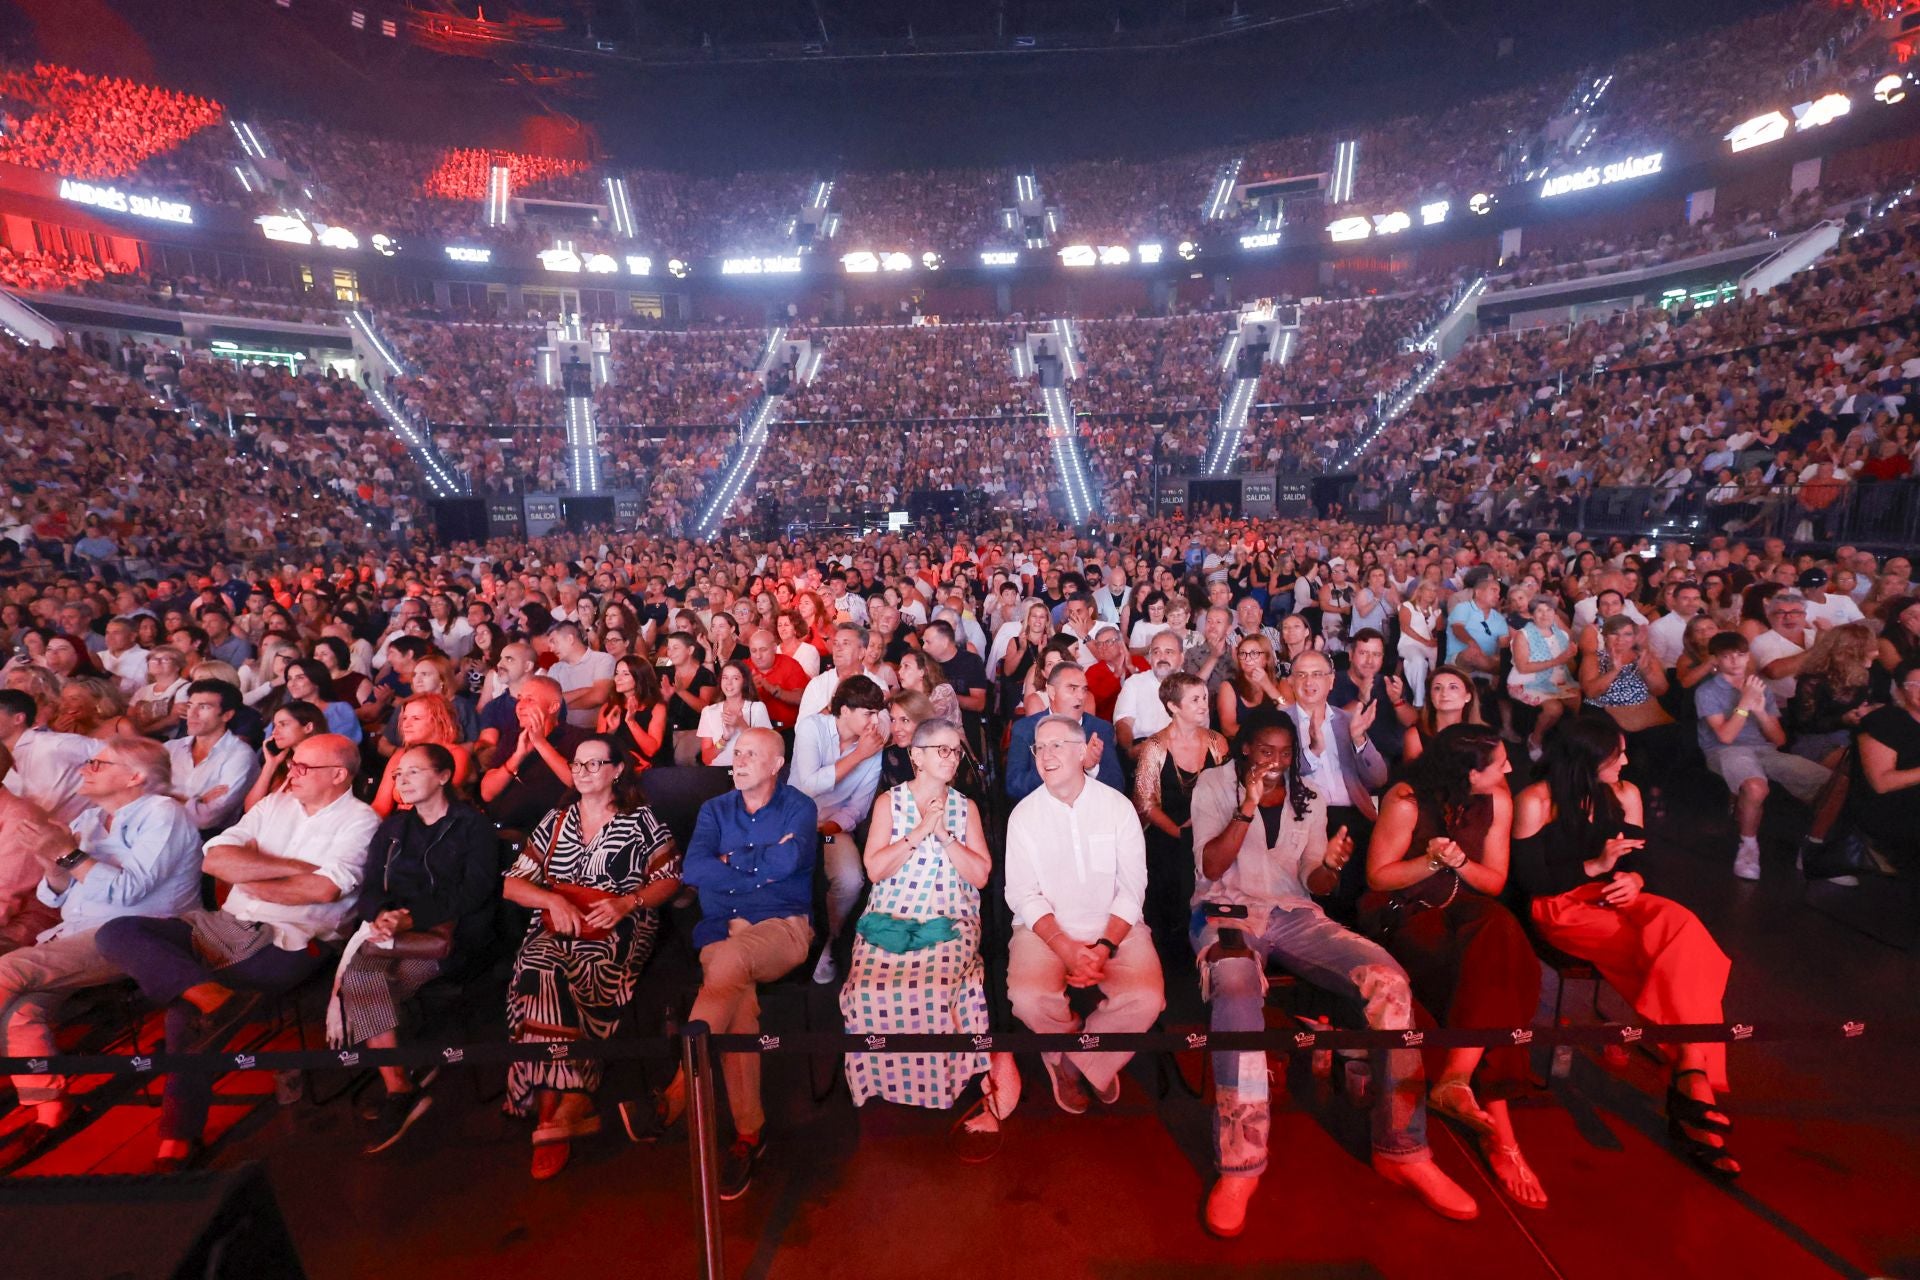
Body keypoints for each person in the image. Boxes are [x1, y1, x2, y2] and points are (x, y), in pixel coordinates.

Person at [1189, 710, 1477, 1236]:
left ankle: (1404, 1149)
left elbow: (1314, 884)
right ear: (1245, 749)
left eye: (1283, 752)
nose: (1275, 762)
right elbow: (1210, 866)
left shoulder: (1309, 796)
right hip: (1225, 911)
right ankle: (1240, 1165)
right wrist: (1246, 810)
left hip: (1295, 914)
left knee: (1389, 980)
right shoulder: (1213, 784)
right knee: (1234, 986)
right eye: (1264, 751)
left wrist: (1334, 865)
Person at [95, 734, 380, 1170]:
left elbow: (323, 888)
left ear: (338, 775)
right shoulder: (274, 805)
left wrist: (254, 874)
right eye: (292, 764)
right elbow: (214, 859)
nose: (291, 773)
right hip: (223, 925)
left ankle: (177, 1138)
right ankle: (212, 996)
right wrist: (291, 869)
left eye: (304, 767)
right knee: (116, 932)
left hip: (290, 939)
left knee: (184, 1014)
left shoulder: (360, 821)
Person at [1512, 716, 1740, 1179]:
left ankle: (1689, 1068)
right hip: (1562, 908)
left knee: (1683, 928)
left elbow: (1643, 862)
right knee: (1671, 959)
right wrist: (1594, 867)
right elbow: (1529, 883)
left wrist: (1635, 879)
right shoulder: (1536, 801)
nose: (1626, 762)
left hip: (1616, 898)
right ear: (1587, 760)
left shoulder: (1625, 794)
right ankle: (1696, 1096)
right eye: (1618, 755)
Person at [1364, 724, 1545, 1208]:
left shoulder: (1498, 800)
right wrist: (1431, 861)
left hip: (1465, 906)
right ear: (1469, 773)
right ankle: (1501, 1136)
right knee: (1501, 978)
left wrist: (1459, 863)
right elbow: (1378, 876)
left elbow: (1494, 881)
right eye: (1499, 763)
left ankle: (1456, 1078)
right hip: (1408, 912)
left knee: (1501, 930)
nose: (1509, 769)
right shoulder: (1405, 798)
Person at [634, 727, 816, 1200]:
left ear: (777, 764)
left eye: (752, 754)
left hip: (783, 927)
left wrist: (732, 866)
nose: (739, 761)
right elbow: (694, 870)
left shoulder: (800, 807)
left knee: (730, 964)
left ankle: (678, 1092)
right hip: (720, 930)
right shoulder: (714, 810)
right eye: (737, 753)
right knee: (737, 1000)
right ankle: (748, 1136)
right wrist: (758, 864)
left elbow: (791, 862)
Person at [0, 738, 202, 1150]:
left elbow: (130, 891)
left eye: (98, 762)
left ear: (135, 776)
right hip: (75, 936)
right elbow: (53, 896)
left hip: (137, 936)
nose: (85, 768)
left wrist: (68, 856)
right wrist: (49, 859)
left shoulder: (164, 812)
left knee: (5, 972)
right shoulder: (90, 819)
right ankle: (52, 1107)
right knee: (20, 1009)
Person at [499, 734, 681, 1178]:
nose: (581, 772)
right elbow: (510, 882)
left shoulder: (641, 822)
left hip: (617, 924)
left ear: (617, 770)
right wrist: (552, 901)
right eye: (577, 765)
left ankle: (553, 1108)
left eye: (593, 764)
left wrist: (628, 902)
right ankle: (559, 1107)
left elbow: (671, 877)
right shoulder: (557, 820)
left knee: (570, 970)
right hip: (558, 921)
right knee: (540, 967)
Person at [331, 743, 500, 1154]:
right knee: (365, 979)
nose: (402, 781)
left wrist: (413, 917)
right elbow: (371, 888)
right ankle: (401, 1082)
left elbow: (475, 893)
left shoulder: (471, 826)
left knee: (361, 981)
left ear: (443, 776)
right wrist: (383, 915)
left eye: (412, 772)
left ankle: (401, 1086)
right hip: (394, 933)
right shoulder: (392, 829)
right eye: (398, 775)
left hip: (452, 939)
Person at [1005, 715, 1165, 1115]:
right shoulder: (1023, 816)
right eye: (1039, 748)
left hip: (1116, 926)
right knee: (1026, 997)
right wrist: (1065, 947)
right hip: (1044, 931)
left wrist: (1106, 945)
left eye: (1056, 745)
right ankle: (1080, 1047)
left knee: (1147, 998)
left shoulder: (1117, 807)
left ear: (1082, 751)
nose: (1046, 755)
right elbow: (1022, 894)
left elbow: (1132, 888)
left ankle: (1073, 1060)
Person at [841, 718, 994, 1112]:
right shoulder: (889, 802)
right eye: (941, 750)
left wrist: (944, 835)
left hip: (949, 917)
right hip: (892, 914)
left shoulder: (965, 808)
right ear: (916, 757)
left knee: (934, 989)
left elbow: (980, 876)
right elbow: (875, 870)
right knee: (866, 991)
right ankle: (879, 1082)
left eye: (955, 750)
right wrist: (921, 829)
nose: (951, 758)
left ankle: (937, 1087)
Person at [1694, 633, 1830, 881]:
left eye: (1740, 655)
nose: (1735, 661)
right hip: (1724, 751)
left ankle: (1814, 844)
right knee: (1756, 787)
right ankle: (1748, 848)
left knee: (1831, 782)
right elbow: (1725, 736)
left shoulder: (1759, 687)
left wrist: (1761, 712)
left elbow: (1778, 740)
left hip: (1764, 750)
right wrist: (1745, 704)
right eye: (1727, 656)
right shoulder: (1707, 690)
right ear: (1716, 659)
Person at [791, 675, 888, 984]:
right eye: (868, 713)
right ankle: (792, 937)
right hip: (795, 820)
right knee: (788, 872)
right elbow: (808, 784)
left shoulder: (874, 745)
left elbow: (858, 807)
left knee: (850, 880)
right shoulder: (811, 728)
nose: (876, 720)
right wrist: (859, 754)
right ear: (844, 710)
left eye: (877, 712)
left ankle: (826, 942)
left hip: (831, 829)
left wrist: (829, 828)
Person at [1132, 672, 1229, 960]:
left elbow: (1228, 793)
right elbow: (1145, 804)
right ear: (1173, 707)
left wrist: (1204, 830)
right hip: (1168, 833)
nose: (1203, 705)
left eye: (1205, 698)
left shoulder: (1218, 742)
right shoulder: (1154, 747)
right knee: (1173, 869)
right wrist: (1182, 832)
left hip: (1210, 831)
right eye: (1195, 700)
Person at [1284, 650, 1387, 905]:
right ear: (1291, 681)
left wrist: (1359, 740)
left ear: (1331, 682)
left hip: (1353, 815)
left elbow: (1378, 779)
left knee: (1363, 893)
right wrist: (1313, 751)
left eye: (1317, 674)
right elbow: (1278, 780)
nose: (1309, 682)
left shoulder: (1348, 720)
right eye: (1302, 675)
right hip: (1302, 819)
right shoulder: (1279, 723)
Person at [479, 677, 588, 833]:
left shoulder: (576, 738)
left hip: (548, 833)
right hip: (502, 827)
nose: (520, 707)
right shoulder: (512, 738)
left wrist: (540, 743)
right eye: (519, 699)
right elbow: (487, 793)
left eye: (530, 700)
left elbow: (578, 781)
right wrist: (518, 756)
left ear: (553, 707)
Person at [1004, 663, 1124, 803]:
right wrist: (1050, 768)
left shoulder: (1100, 729)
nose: (1080, 696)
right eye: (1072, 688)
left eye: (1084, 689)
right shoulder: (1025, 729)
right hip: (1044, 815)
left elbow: (1118, 787)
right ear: (1052, 692)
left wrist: (1091, 768)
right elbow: (1014, 787)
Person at [164, 679, 260, 836]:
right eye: (190, 706)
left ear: (227, 715)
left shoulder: (240, 756)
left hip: (204, 840)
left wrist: (165, 798)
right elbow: (138, 795)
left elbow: (206, 819)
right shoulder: (170, 748)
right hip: (159, 828)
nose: (192, 714)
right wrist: (197, 801)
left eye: (203, 707)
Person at [0, 687, 103, 823]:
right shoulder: (4, 760)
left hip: (91, 829)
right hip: (39, 834)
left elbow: (115, 754)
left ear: (18, 718)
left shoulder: (54, 744)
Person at [1852, 660, 1920, 861]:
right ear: (1900, 691)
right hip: (1894, 812)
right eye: (1916, 685)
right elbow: (1881, 783)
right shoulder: (1884, 721)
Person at [370, 694, 476, 817]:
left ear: (439, 720)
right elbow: (380, 806)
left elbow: (439, 799)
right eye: (404, 718)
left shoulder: (456, 754)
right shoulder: (400, 755)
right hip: (401, 825)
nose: (406, 724)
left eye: (416, 718)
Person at [1507, 598, 1579, 761]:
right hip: (1524, 681)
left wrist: (1570, 658)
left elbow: (1568, 666)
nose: (1545, 614)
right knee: (1554, 709)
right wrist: (1557, 661)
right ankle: (1535, 739)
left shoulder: (1561, 635)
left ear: (1555, 613)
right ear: (1532, 615)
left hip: (1554, 679)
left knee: (1576, 698)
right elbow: (1523, 667)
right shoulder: (1523, 635)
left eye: (1549, 610)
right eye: (1539, 610)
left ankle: (1570, 739)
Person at [243, 702, 329, 813]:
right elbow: (250, 810)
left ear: (308, 727)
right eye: (275, 726)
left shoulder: (325, 765)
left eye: (283, 724)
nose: (274, 732)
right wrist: (270, 765)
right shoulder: (281, 762)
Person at [1113, 630, 1184, 757]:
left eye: (1169, 652)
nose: (1162, 657)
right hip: (1140, 747)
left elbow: (1198, 727)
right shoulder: (1134, 683)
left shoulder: (1193, 687)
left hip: (1180, 749)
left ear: (1181, 657)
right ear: (1150, 658)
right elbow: (1123, 723)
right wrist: (1130, 750)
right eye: (1156, 652)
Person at [597, 656, 669, 771]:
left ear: (639, 677)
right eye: (617, 673)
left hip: (649, 769)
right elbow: (598, 750)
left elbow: (651, 751)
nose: (618, 679)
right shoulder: (608, 708)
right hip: (618, 767)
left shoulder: (657, 708)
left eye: (625, 674)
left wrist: (631, 721)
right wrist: (611, 731)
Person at [1217, 632, 1291, 742]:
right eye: (1242, 653)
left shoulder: (1281, 683)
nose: (1247, 658)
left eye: (1254, 653)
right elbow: (1228, 729)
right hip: (1244, 747)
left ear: (1266, 658)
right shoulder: (1229, 686)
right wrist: (1263, 736)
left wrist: (1268, 686)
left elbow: (1290, 712)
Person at [698, 660, 774, 766]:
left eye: (735, 678)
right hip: (719, 773)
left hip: (749, 771)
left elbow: (765, 749)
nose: (729, 683)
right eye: (725, 678)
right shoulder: (708, 712)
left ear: (744, 681)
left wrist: (740, 724)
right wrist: (724, 739)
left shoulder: (757, 708)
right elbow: (706, 759)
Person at [1403, 665, 1485, 762]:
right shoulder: (1415, 735)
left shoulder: (1484, 735)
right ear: (1430, 697)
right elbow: (1412, 775)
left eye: (1453, 687)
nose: (1444, 693)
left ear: (1468, 696)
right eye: (1437, 688)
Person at [547, 622, 615, 730]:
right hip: (565, 731)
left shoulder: (602, 659)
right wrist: (585, 690)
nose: (551, 649)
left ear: (570, 639)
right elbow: (550, 701)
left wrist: (563, 706)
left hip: (597, 730)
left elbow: (598, 697)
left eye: (554, 642)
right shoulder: (555, 668)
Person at [745, 627, 808, 730]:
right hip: (753, 731)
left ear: (774, 648)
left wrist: (773, 690)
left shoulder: (790, 664)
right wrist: (751, 691)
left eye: (763, 650)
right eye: (753, 651)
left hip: (788, 730)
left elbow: (801, 698)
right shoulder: (743, 668)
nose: (758, 656)